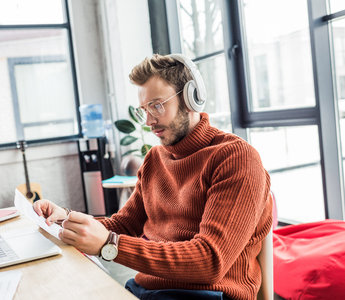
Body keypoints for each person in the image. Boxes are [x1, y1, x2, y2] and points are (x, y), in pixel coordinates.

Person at [34, 53, 273, 300]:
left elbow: (210, 261)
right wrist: (65, 220)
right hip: (148, 291)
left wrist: (111, 245)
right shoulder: (154, 159)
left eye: (157, 105)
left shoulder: (236, 158)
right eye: (144, 110)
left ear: (191, 98)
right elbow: (123, 226)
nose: (149, 121)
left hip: (207, 295)